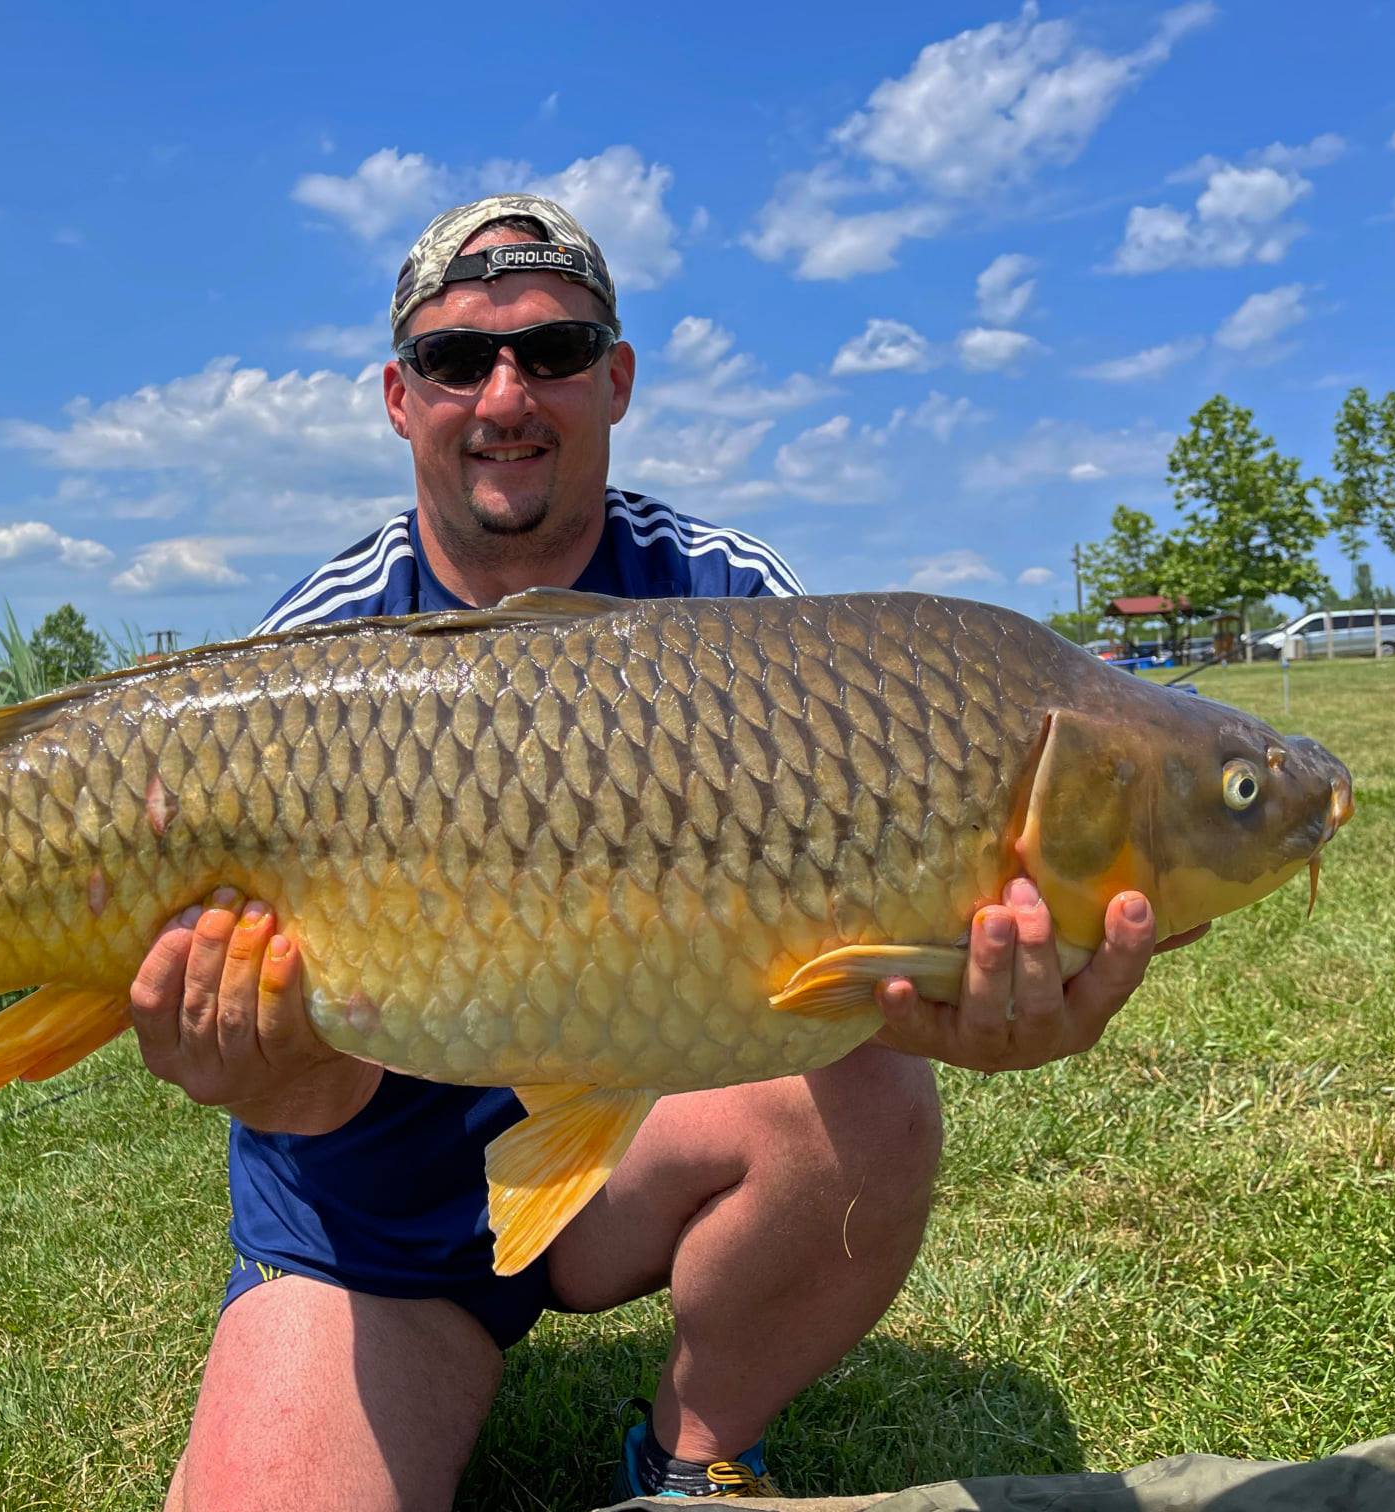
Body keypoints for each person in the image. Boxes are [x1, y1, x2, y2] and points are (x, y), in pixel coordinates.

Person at [126, 195, 1202, 1510]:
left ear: (616, 378)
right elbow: (300, 1099)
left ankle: (700, 1457)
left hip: (631, 1150)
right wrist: (264, 1070)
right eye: (459, 360)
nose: (506, 393)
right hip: (370, 1217)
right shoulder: (303, 656)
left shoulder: (739, 603)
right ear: (402, 400)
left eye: (555, 350)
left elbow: (857, 962)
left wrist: (965, 1011)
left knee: (867, 1092)